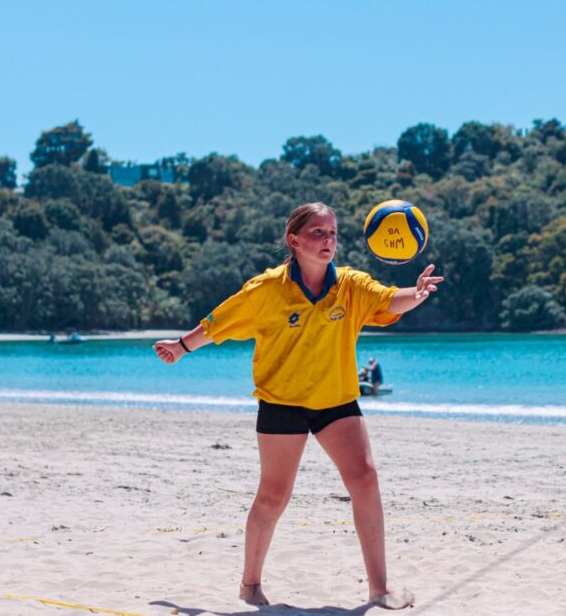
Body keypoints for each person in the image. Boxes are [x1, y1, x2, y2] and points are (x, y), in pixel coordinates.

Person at [153, 202, 441, 609]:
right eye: (318, 233)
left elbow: (391, 300)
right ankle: (250, 585)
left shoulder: (352, 286)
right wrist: (181, 346)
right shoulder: (266, 290)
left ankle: (379, 589)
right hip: (282, 403)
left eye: (334, 233)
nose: (329, 241)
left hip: (336, 401)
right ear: (294, 240)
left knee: (365, 479)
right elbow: (219, 323)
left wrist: (418, 293)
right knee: (273, 497)